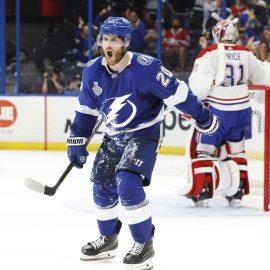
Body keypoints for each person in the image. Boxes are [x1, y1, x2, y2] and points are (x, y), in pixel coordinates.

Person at [66, 17, 219, 270]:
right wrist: (76, 141)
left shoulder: (147, 69)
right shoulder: (93, 69)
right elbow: (86, 109)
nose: (108, 44)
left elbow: (179, 94)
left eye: (114, 39)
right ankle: (108, 239)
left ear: (126, 42)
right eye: (105, 39)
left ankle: (143, 244)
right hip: (113, 135)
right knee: (102, 184)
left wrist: (203, 118)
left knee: (127, 183)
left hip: (144, 134)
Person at [180, 19, 266, 208]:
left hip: (217, 110)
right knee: (237, 151)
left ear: (217, 34)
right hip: (242, 109)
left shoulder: (209, 53)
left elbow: (200, 87)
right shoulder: (246, 53)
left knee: (204, 150)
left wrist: (193, 107)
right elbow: (260, 80)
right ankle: (238, 191)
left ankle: (203, 190)